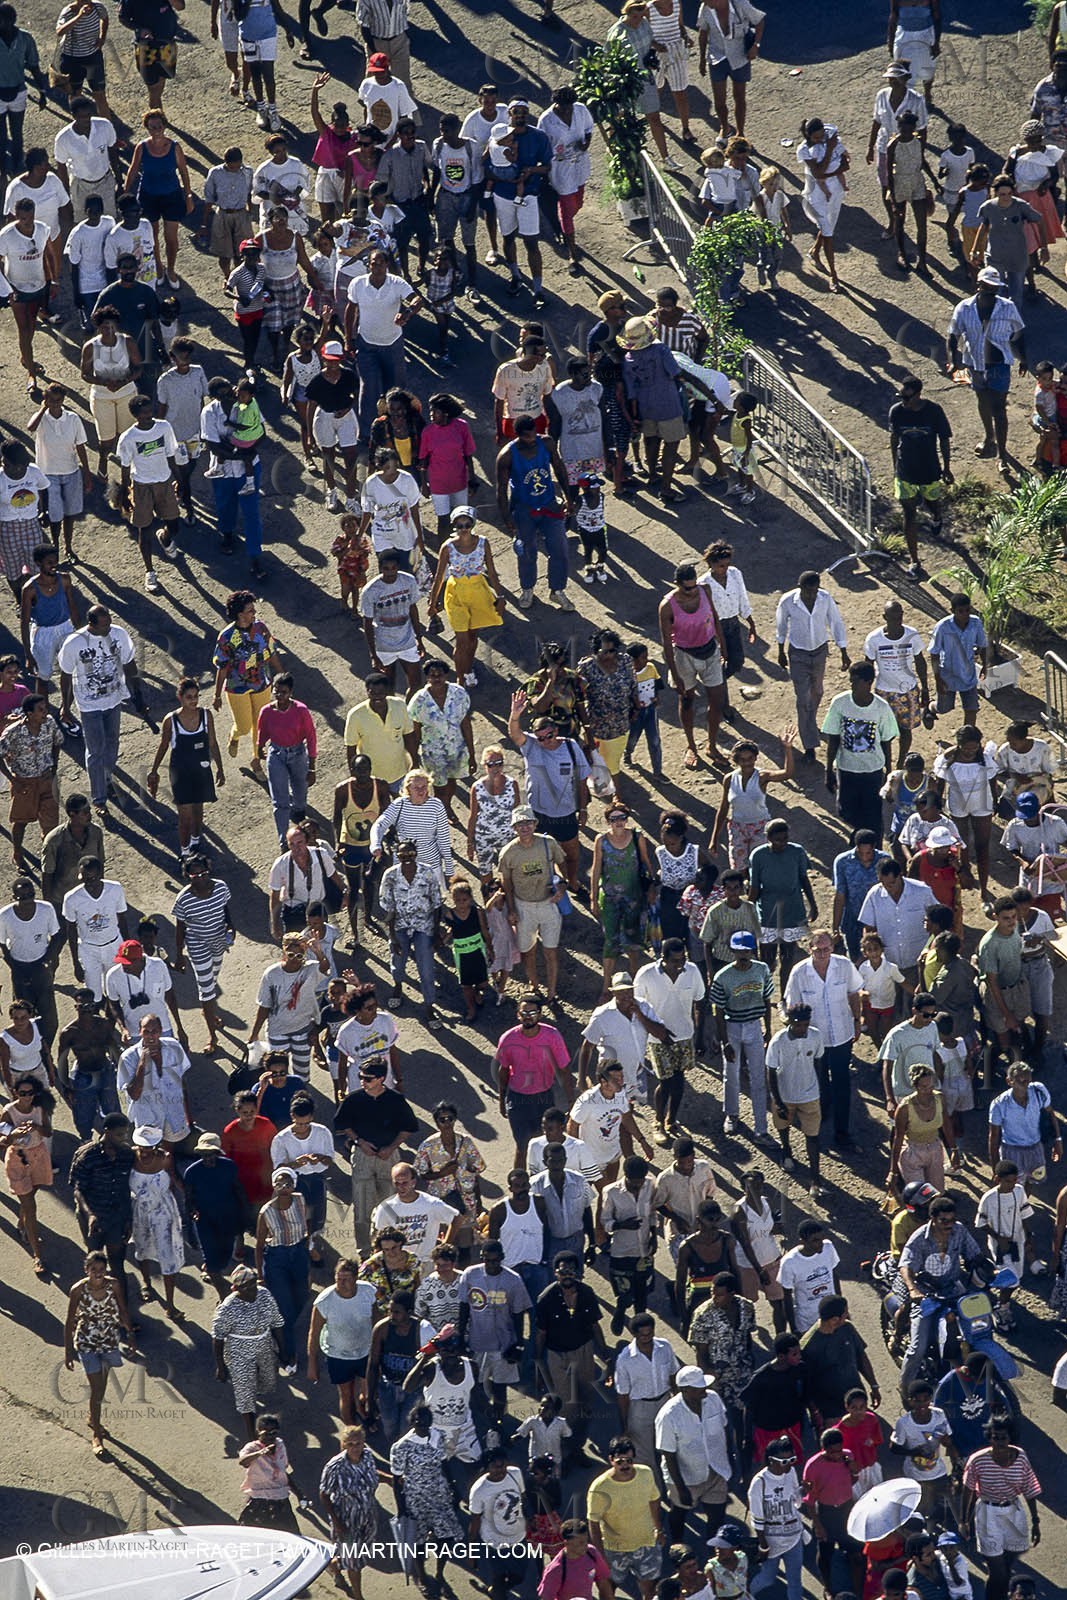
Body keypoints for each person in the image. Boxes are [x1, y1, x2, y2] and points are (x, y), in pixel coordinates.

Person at [945, 271, 1027, 474]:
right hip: (975, 363)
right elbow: (952, 336)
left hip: (999, 365)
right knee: (982, 400)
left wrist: (1024, 358)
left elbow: (1018, 334)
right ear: (978, 284)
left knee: (999, 408)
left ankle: (1002, 454)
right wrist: (952, 361)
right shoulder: (964, 308)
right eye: (987, 286)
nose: (990, 290)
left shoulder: (1007, 308)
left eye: (994, 287)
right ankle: (989, 436)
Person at [63, 1246, 136, 1456]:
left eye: (101, 1269)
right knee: (96, 1390)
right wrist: (68, 1351)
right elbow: (69, 1321)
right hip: (87, 1343)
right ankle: (97, 1435)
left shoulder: (114, 1285)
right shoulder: (77, 1290)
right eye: (93, 1269)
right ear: (86, 1269)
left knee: (101, 1387)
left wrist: (130, 1335)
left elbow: (123, 1309)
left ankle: (92, 1418)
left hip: (109, 1340)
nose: (98, 1273)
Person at [633, 939, 705, 1142]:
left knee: (679, 1079)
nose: (680, 965)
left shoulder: (691, 971)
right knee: (665, 1081)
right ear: (662, 959)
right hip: (658, 1039)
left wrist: (698, 1036)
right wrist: (656, 1031)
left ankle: (671, 1120)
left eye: (683, 959)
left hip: (684, 1036)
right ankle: (658, 1121)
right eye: (675, 961)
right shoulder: (646, 975)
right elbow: (636, 1007)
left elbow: (699, 1002)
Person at [775, 571, 850, 762]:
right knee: (803, 698)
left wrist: (843, 650)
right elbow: (781, 625)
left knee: (817, 692)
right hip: (798, 654)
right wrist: (781, 650)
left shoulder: (825, 599)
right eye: (808, 591)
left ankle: (808, 721)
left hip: (819, 652)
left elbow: (835, 622)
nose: (811, 595)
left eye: (814, 591)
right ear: (800, 587)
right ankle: (810, 744)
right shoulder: (788, 601)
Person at [659, 563, 727, 771]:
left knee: (717, 701)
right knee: (687, 701)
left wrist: (723, 645)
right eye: (687, 588)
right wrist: (675, 674)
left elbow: (714, 617)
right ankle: (691, 746)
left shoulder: (705, 590)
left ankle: (711, 745)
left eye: (694, 585)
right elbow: (666, 644)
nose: (692, 591)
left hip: (709, 650)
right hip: (684, 655)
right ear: (677, 585)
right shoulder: (667, 606)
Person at [496, 992, 574, 1167]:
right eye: (524, 1013)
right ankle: (519, 1188)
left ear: (539, 1014)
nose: (528, 1017)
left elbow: (564, 1069)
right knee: (522, 1146)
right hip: (518, 1099)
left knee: (546, 1145)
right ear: (518, 1015)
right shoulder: (508, 1039)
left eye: (532, 1013)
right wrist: (502, 1100)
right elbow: (504, 1070)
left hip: (543, 1098)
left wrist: (571, 1099)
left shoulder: (552, 1035)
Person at [655, 1365, 732, 1542]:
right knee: (679, 1513)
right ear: (685, 1390)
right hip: (685, 1477)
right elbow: (668, 1454)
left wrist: (730, 1462)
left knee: (717, 1516)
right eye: (699, 1388)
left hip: (716, 1470)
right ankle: (677, 1545)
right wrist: (681, 1489)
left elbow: (725, 1428)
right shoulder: (668, 1415)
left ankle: (714, 1553)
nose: (705, 1390)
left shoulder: (713, 1399)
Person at [710, 931, 773, 1144]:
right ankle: (731, 1114)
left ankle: (761, 1128)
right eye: (739, 950)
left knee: (758, 1076)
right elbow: (718, 1010)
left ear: (752, 950)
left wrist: (769, 1028)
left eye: (747, 950)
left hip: (754, 1026)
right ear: (733, 951)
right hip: (733, 1027)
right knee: (732, 1073)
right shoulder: (723, 976)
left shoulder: (762, 970)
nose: (744, 954)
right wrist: (724, 1040)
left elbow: (766, 999)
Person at [212, 1264, 285, 1439]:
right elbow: (218, 1338)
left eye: (254, 1284)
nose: (253, 1290)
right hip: (239, 1352)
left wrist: (284, 1350)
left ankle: (253, 1391)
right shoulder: (227, 1308)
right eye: (247, 1287)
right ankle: (252, 1435)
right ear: (235, 1288)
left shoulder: (265, 1295)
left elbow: (277, 1323)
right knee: (245, 1393)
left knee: (268, 1382)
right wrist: (221, 1366)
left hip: (264, 1347)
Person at [587, 1435, 663, 1599]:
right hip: (614, 1549)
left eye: (629, 1460)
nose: (625, 1466)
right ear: (611, 1460)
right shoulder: (599, 1488)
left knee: (650, 1589)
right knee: (608, 1589)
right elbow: (593, 1523)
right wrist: (600, 1556)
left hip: (647, 1544)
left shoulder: (646, 1474)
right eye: (620, 1461)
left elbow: (654, 1499)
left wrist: (659, 1529)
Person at [621, 318, 687, 504]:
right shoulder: (661, 350)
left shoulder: (628, 359)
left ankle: (652, 475)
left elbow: (631, 391)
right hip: (667, 404)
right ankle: (666, 488)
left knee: (650, 439)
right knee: (671, 444)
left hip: (645, 407)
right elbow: (675, 372)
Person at [319, 1424, 382, 1598]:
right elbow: (324, 1495)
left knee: (358, 1554)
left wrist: (390, 1479)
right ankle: (358, 1595)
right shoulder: (334, 1466)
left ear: (364, 1443)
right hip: (345, 1522)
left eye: (358, 1443)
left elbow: (372, 1474)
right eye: (350, 1444)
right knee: (355, 1563)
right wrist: (337, 1523)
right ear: (344, 1445)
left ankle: (332, 1566)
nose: (355, 1448)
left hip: (368, 1518)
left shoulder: (368, 1456)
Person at [767, 1006, 824, 1197]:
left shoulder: (815, 1036)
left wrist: (821, 1090)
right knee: (783, 1125)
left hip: (810, 1094)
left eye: (806, 1025)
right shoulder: (778, 1041)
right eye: (798, 1025)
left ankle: (815, 1179)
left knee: (813, 1136)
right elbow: (771, 1071)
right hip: (785, 1095)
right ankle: (786, 1150)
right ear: (790, 1023)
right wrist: (778, 1101)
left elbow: (818, 1062)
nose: (802, 1029)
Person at [0, 693, 62, 870]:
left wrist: (54, 765)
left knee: (51, 824)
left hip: (47, 780)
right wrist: (13, 779)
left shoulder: (49, 723)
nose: (45, 713)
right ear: (28, 713)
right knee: (21, 822)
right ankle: (17, 853)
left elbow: (58, 741)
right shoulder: (13, 732)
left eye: (45, 709)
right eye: (40, 710)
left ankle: (49, 858)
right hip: (24, 784)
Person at [612, 1315, 681, 1468]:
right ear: (634, 1334)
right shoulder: (625, 1359)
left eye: (650, 1333)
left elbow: (673, 1375)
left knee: (671, 1448)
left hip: (665, 1402)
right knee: (644, 1456)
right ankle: (654, 1490)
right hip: (640, 1409)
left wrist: (678, 1401)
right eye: (642, 1335)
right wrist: (625, 1426)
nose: (647, 1337)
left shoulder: (665, 1347)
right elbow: (622, 1395)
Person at [183, 1131, 245, 1300]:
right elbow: (189, 1199)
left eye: (211, 1154)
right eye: (204, 1154)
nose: (208, 1158)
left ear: (218, 1153)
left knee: (224, 1256)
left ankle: (212, 1270)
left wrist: (242, 1223)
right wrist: (193, 1211)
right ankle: (223, 1296)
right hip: (205, 1222)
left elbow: (238, 1191)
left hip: (227, 1219)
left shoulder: (229, 1166)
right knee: (212, 1262)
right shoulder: (192, 1172)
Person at [795, 118, 847, 292]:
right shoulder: (804, 150)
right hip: (817, 194)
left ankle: (815, 252)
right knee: (828, 232)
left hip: (835, 190)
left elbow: (845, 164)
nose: (820, 139)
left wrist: (836, 169)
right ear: (809, 135)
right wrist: (831, 150)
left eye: (822, 136)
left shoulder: (831, 138)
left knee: (828, 228)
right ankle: (833, 275)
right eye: (816, 138)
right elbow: (818, 172)